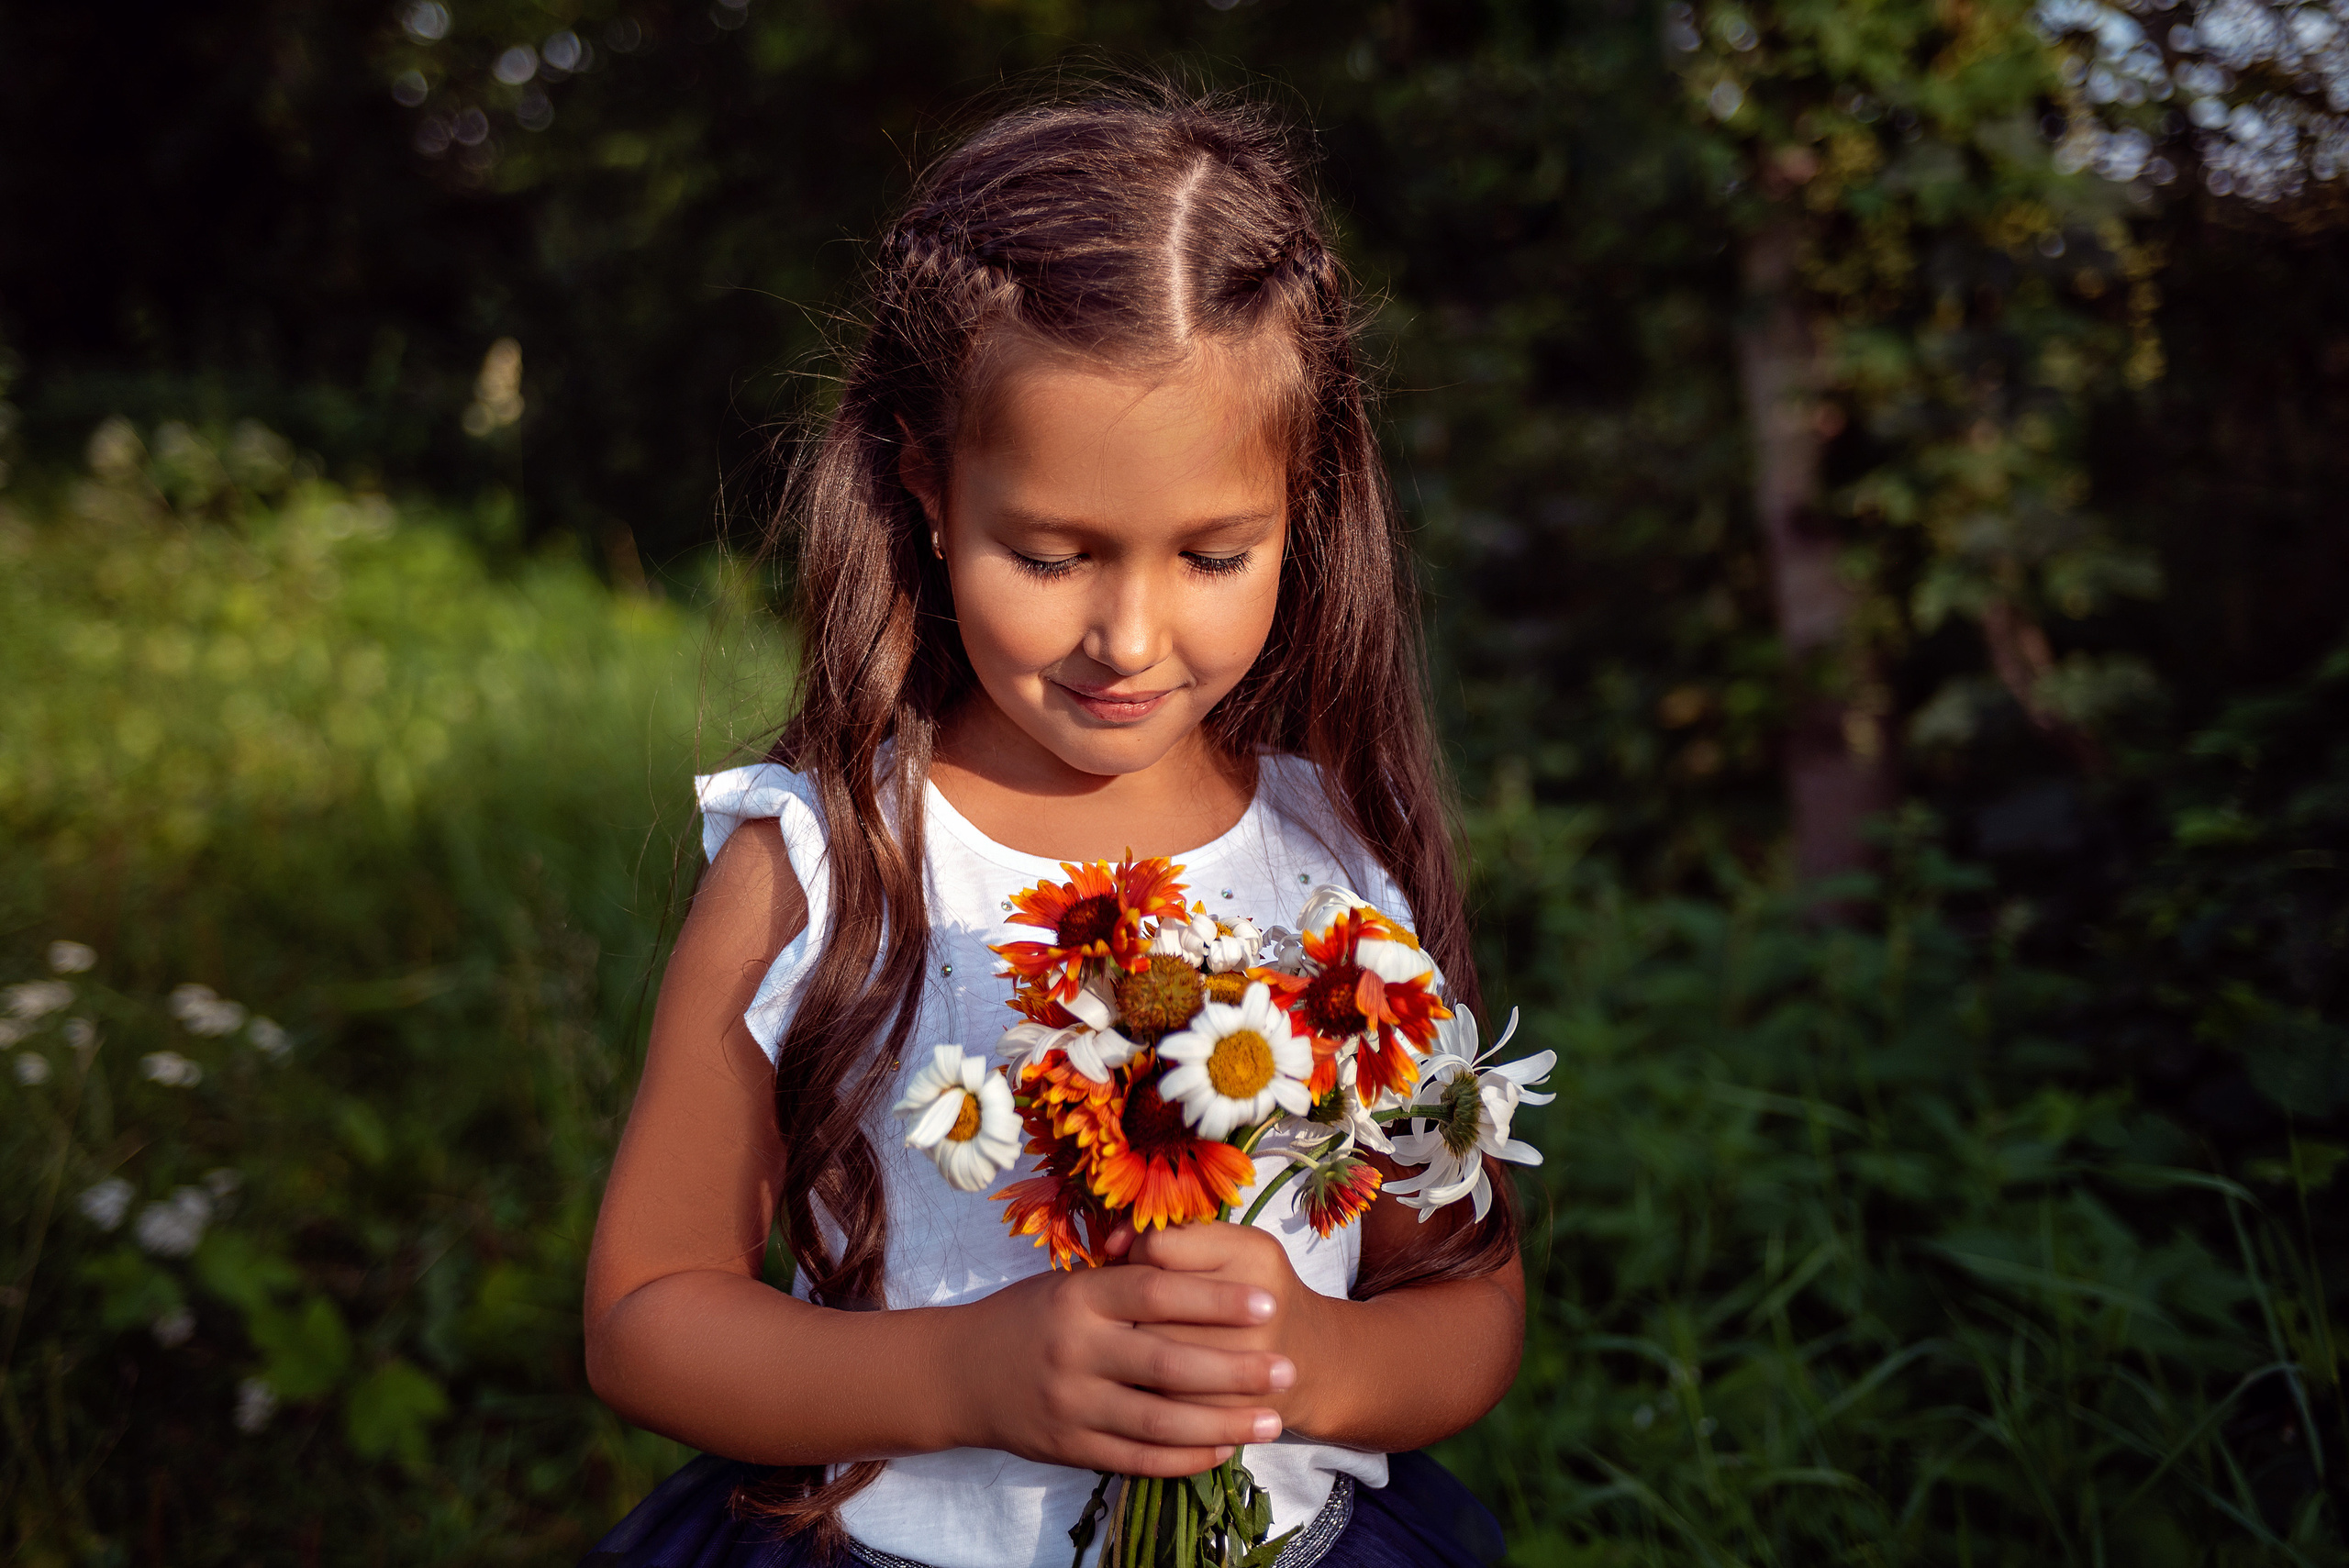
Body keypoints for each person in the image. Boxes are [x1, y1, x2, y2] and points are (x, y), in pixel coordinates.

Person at [581, 85, 1521, 1568]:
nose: (1128, 635)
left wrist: (1307, 1362)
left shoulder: (1336, 862)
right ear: (927, 490)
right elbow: (645, 1316)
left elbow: (1464, 1299)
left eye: (1217, 553)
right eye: (1050, 551)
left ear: (1304, 505)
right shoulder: (824, 861)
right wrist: (964, 1375)